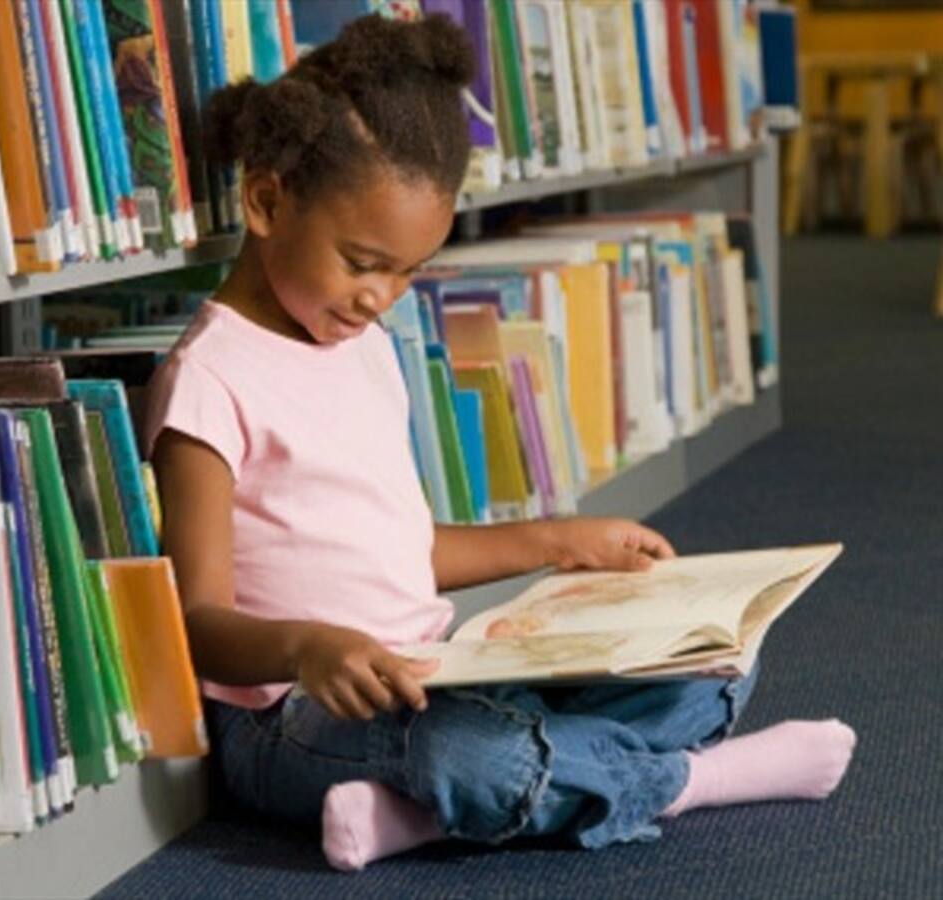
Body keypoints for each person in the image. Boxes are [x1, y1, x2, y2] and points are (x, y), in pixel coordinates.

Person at [143, 13, 856, 872]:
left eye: (408, 272)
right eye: (364, 261)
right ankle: (695, 781)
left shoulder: (362, 349)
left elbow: (397, 552)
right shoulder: (210, 381)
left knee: (708, 671)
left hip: (434, 673)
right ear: (266, 202)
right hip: (286, 719)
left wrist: (561, 540)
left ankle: (416, 817)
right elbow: (196, 620)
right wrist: (307, 646)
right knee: (472, 756)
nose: (383, 297)